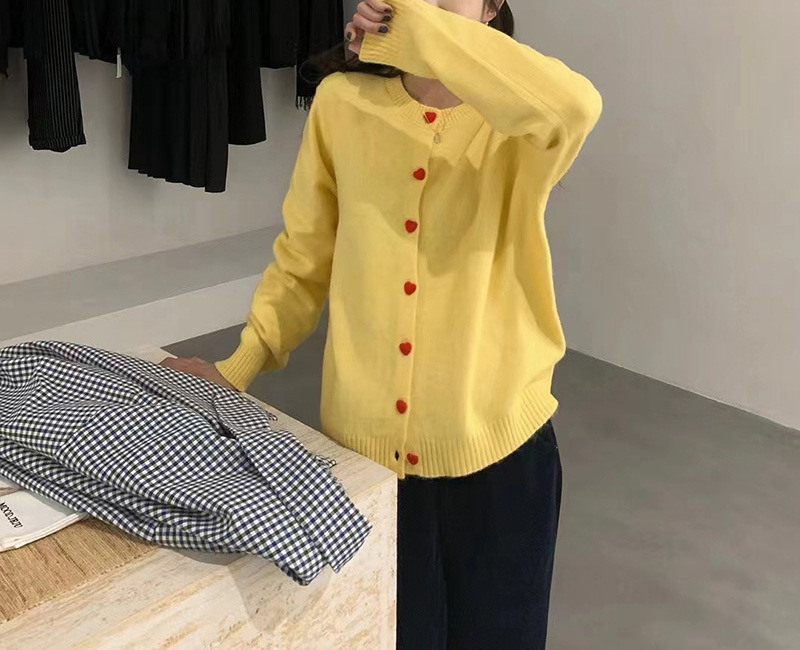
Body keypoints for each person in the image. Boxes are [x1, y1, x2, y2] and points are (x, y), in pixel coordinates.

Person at [164, 0, 601, 646]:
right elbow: (303, 260)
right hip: (366, 465)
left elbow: (578, 106)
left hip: (503, 464)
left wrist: (421, 34)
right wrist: (239, 367)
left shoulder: (519, 118)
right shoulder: (343, 103)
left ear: (492, 6)